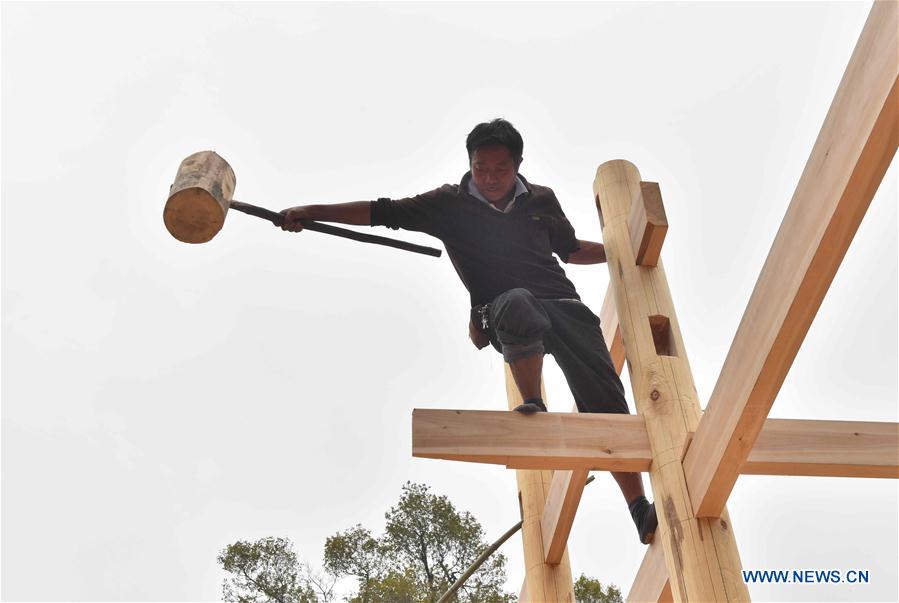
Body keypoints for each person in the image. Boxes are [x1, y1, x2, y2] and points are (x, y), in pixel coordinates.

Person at [279, 118, 658, 544]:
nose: (491, 179)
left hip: (564, 305)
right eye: (481, 169)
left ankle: (638, 506)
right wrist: (311, 213)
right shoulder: (448, 204)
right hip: (501, 309)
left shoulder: (541, 200)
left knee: (606, 402)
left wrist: (621, 250)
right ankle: (532, 400)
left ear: (517, 165)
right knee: (518, 304)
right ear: (470, 165)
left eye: (500, 169)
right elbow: (380, 210)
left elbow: (569, 250)